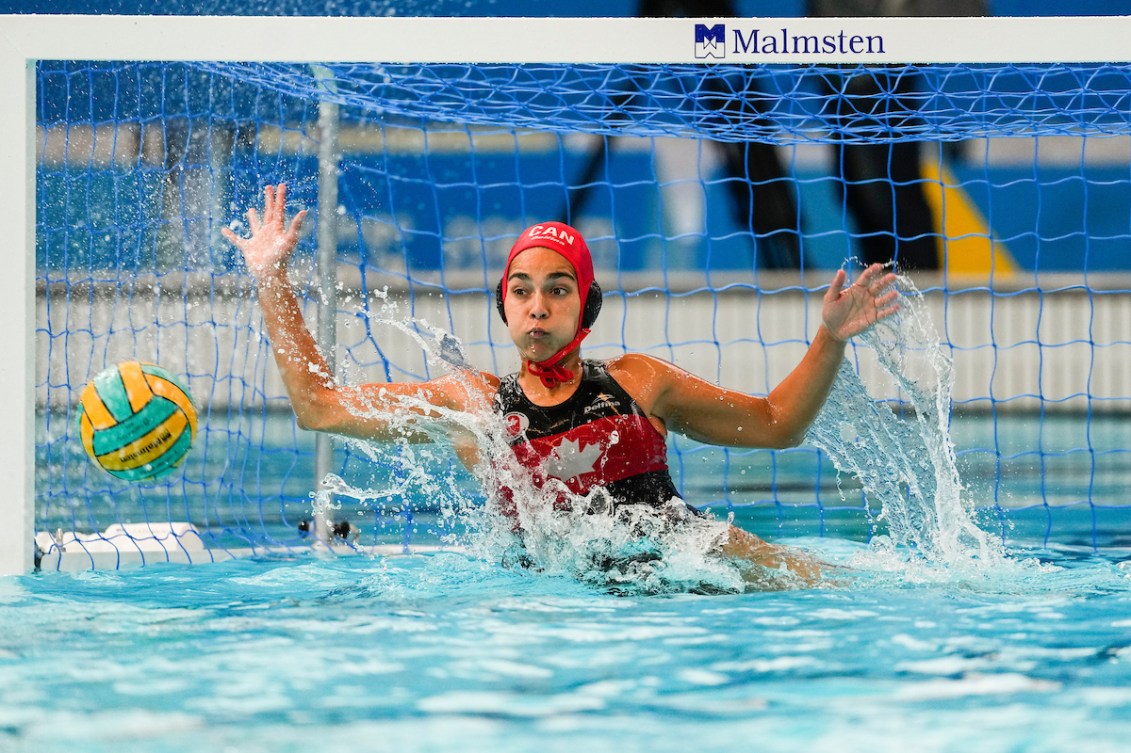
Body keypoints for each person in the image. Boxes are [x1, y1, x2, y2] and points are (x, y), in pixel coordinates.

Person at [222, 184, 900, 586]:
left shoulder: (639, 381)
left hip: (694, 572)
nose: (537, 306)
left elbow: (779, 423)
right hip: (553, 605)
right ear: (504, 305)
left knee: (850, 585)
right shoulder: (475, 405)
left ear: (586, 307)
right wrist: (270, 278)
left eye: (556, 289)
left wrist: (830, 338)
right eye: (521, 291)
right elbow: (318, 406)